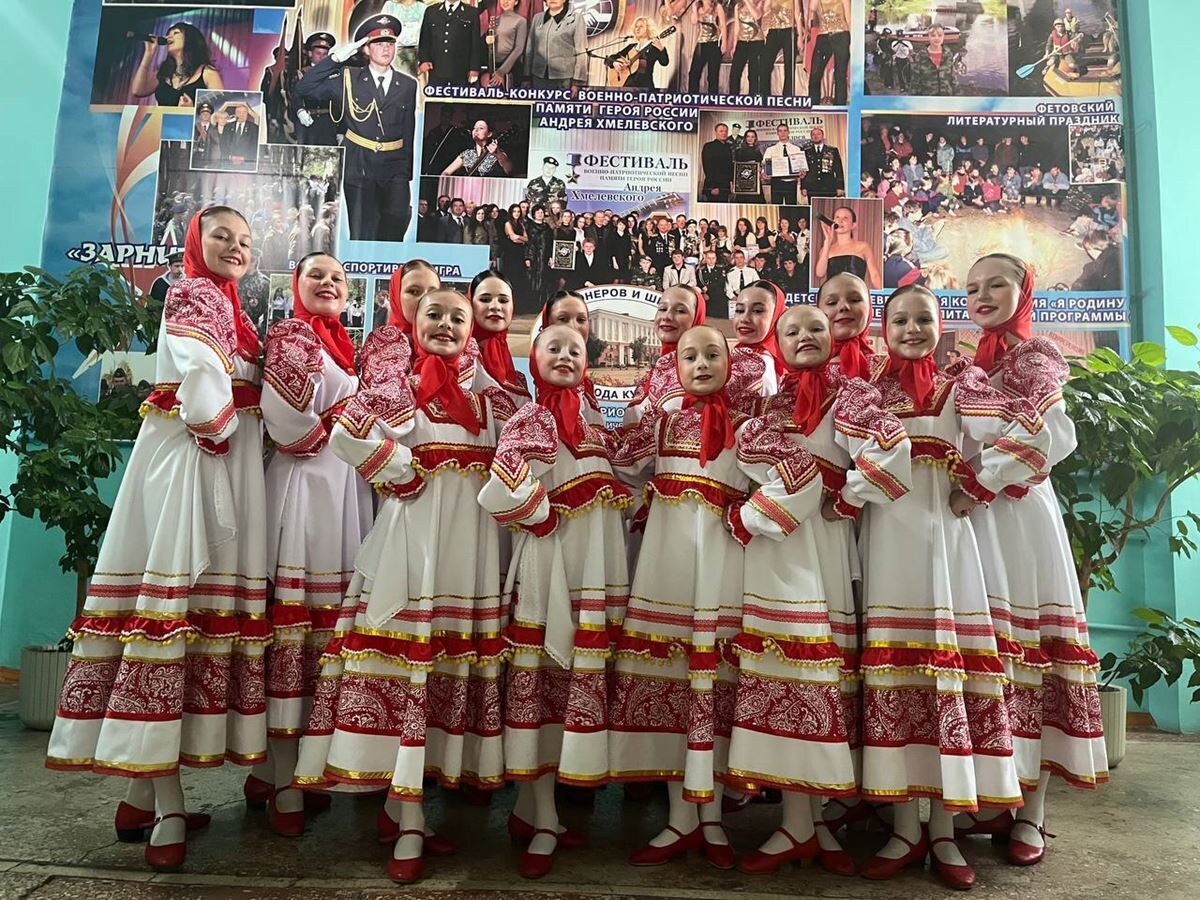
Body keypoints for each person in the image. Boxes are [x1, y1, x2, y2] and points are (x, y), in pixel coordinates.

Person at [46, 207, 265, 871]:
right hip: (195, 461)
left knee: (183, 620)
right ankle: (168, 812)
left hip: (210, 459)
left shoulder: (231, 310)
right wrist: (220, 432)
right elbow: (202, 385)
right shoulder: (195, 294)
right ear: (196, 241)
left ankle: (141, 798)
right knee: (171, 616)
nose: (235, 247)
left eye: (244, 240)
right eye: (221, 235)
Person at [293, 290, 516, 884]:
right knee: (407, 667)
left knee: (443, 672)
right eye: (433, 314)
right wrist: (399, 470)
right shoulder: (401, 386)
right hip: (412, 547)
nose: (445, 324)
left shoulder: (490, 398)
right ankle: (411, 821)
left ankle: (400, 809)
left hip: (467, 558)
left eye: (458, 317)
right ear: (413, 324)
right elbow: (346, 434)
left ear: (472, 330)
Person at [856, 284, 1050, 891]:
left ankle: (942, 828)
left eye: (924, 318)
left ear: (942, 326)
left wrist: (980, 485)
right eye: (900, 320)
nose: (912, 328)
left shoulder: (963, 384)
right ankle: (902, 828)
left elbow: (1030, 433)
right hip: (884, 547)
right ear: (884, 330)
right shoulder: (866, 393)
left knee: (948, 679)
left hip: (947, 547)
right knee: (893, 678)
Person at [728, 304, 908, 877]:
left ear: (833, 337)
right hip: (773, 553)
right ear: (777, 342)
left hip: (821, 550)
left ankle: (809, 823)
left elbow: (890, 452)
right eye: (792, 331)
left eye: (814, 328)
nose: (804, 336)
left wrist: (848, 497)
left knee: (818, 677)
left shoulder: (850, 395)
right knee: (785, 677)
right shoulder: (769, 406)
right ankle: (802, 822)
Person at [608, 325, 780, 870]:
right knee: (674, 686)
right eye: (690, 356)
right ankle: (681, 818)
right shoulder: (658, 425)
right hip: (667, 573)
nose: (701, 364)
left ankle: (712, 819)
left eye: (712, 354)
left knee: (715, 684)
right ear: (674, 367)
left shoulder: (748, 428)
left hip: (723, 575)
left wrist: (749, 518)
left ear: (731, 364)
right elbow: (615, 468)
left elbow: (792, 478)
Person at [955, 253, 1106, 865]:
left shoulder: (1037, 357)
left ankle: (1033, 813)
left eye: (997, 284)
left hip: (1017, 515)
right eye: (973, 287)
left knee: (1031, 651)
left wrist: (982, 481)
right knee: (988, 652)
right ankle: (997, 797)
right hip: (973, 518)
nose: (983, 295)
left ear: (1024, 291)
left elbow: (1048, 435)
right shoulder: (971, 362)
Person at [477, 324, 631, 878]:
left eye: (575, 350)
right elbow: (500, 487)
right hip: (550, 572)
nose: (565, 356)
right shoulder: (531, 420)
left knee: (567, 690)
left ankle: (532, 810)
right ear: (533, 359)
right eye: (553, 348)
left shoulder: (594, 426)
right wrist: (540, 518)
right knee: (540, 686)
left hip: (593, 575)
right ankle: (542, 816)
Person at [255, 252, 373, 836]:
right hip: (305, 492)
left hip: (342, 493)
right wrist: (341, 425)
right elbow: (286, 424)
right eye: (316, 276)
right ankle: (284, 785)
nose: (329, 283)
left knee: (322, 642)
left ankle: (288, 771)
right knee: (294, 637)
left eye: (337, 278)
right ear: (295, 286)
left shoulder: (346, 347)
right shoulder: (292, 336)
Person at [294, 15, 417, 243]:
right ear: (366, 49)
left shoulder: (408, 84)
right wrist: (336, 59)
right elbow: (303, 88)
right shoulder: (348, 78)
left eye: (390, 43)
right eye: (378, 43)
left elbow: (408, 129)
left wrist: (406, 173)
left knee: (394, 232)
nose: (386, 48)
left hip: (395, 168)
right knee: (362, 234)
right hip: (359, 164)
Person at [467, 269, 531, 403]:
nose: (495, 306)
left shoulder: (518, 379)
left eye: (503, 300)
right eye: (485, 299)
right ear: (470, 304)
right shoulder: (461, 360)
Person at [132, 22, 223, 107]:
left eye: (176, 33)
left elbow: (219, 106)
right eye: (168, 34)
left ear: (189, 39)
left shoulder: (207, 72)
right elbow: (138, 90)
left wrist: (193, 110)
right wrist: (149, 54)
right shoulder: (163, 73)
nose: (168, 37)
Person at [814, 205, 882, 290]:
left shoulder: (863, 247)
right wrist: (827, 241)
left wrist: (884, 294)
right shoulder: (826, 249)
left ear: (853, 225)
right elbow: (820, 273)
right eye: (837, 217)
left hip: (856, 293)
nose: (840, 221)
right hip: (833, 293)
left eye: (845, 218)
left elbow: (875, 275)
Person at [525, 0, 589, 88]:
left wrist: (577, 82)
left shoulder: (576, 19)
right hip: (538, 76)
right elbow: (529, 49)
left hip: (564, 79)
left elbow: (581, 51)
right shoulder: (537, 18)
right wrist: (526, 76)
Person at [418, 0, 484, 85]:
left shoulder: (471, 12)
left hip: (461, 70)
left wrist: (474, 67)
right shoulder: (431, 11)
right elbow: (425, 39)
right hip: (436, 68)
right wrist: (424, 60)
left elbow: (475, 43)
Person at [292, 32, 340, 145]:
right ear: (310, 54)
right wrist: (300, 110)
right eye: (318, 53)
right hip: (307, 119)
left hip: (329, 122)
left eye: (325, 54)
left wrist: (341, 129)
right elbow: (294, 95)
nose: (322, 57)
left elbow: (340, 101)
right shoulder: (302, 73)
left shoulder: (335, 74)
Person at [608, 16, 670, 92]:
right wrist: (614, 63)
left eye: (641, 26)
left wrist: (661, 48)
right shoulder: (631, 47)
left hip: (644, 88)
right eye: (636, 27)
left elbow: (664, 62)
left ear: (648, 29)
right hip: (627, 87)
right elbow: (610, 58)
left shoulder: (653, 47)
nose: (637, 29)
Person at [808, 0, 851, 105]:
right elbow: (811, 9)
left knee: (840, 74)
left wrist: (852, 41)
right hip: (823, 35)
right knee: (815, 73)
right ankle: (813, 104)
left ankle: (840, 105)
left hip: (841, 34)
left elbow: (849, 18)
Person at [758, 0, 802, 96]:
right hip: (774, 30)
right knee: (765, 63)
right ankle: (764, 95)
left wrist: (799, 36)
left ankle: (787, 96)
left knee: (789, 65)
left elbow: (797, 15)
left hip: (789, 30)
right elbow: (765, 9)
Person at [441, 119, 513, 177]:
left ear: (489, 134)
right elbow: (446, 172)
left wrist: (498, 154)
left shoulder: (497, 152)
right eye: (474, 128)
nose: (476, 130)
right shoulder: (467, 154)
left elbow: (509, 171)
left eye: (481, 128)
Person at [482, 0, 528, 87]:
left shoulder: (521, 21)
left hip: (511, 67)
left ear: (516, 2)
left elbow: (519, 49)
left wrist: (502, 71)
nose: (505, 1)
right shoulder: (495, 19)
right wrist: (487, 40)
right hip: (493, 65)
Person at [728, 0, 766, 96]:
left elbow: (757, 16)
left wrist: (747, 2)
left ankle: (753, 97)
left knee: (753, 74)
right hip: (742, 42)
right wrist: (734, 45)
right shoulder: (738, 6)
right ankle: (733, 98)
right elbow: (737, 27)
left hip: (756, 42)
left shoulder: (759, 3)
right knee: (735, 73)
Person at [762, 124, 807, 204]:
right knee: (776, 206)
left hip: (791, 182)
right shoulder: (770, 150)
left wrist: (802, 172)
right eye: (780, 131)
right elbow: (764, 166)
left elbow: (801, 166)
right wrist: (764, 173)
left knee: (791, 206)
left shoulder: (796, 149)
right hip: (776, 182)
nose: (783, 133)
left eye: (785, 131)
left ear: (788, 132)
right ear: (777, 133)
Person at [688, 0, 727, 93]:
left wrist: (724, 42)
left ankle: (712, 99)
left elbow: (723, 25)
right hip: (701, 43)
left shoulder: (717, 6)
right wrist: (694, 8)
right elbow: (693, 21)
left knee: (712, 76)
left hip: (714, 43)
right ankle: (693, 97)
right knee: (693, 73)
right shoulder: (698, 7)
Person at [909, 24, 957, 96]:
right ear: (928, 37)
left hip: (946, 97)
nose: (937, 38)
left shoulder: (948, 54)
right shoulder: (921, 56)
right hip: (927, 98)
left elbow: (953, 78)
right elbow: (915, 81)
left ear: (943, 36)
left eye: (940, 35)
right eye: (933, 35)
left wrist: (957, 96)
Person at [803, 127, 845, 197]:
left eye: (818, 134)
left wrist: (840, 187)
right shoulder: (806, 152)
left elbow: (838, 170)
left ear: (823, 136)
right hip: (812, 188)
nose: (816, 136)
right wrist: (803, 187)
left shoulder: (832, 150)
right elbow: (804, 171)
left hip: (828, 186)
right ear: (811, 137)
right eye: (813, 134)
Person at [701, 123, 735, 202]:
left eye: (726, 131)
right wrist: (713, 186)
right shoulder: (709, 146)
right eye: (721, 131)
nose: (724, 133)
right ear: (716, 132)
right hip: (714, 186)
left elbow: (729, 167)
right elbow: (707, 167)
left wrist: (731, 183)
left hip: (725, 186)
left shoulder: (728, 147)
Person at [221, 103, 260, 172]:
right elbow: (223, 144)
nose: (242, 114)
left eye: (244, 112)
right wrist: (229, 157)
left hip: (246, 165)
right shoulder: (227, 127)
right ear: (235, 114)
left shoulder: (254, 128)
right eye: (239, 112)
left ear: (247, 114)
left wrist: (244, 158)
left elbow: (254, 146)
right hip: (229, 164)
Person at [191, 101, 220, 169]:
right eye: (203, 113)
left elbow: (216, 148)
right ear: (199, 115)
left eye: (207, 113)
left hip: (209, 161)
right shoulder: (193, 128)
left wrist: (213, 164)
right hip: (195, 161)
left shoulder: (215, 129)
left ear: (210, 115)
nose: (205, 115)